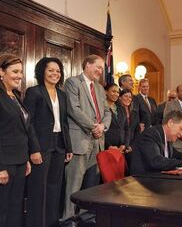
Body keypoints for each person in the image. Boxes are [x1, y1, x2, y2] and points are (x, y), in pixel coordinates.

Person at [23, 57, 73, 227]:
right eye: (51, 70)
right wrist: (33, 149)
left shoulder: (62, 94)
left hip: (59, 144)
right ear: (42, 71)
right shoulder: (34, 92)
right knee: (38, 189)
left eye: (58, 70)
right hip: (41, 146)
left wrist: (68, 147)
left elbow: (64, 122)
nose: (55, 73)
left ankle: (51, 223)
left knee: (54, 188)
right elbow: (28, 124)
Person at [62, 54, 111, 222]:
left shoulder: (99, 88)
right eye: (97, 67)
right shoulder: (73, 82)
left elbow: (106, 112)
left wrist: (103, 126)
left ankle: (86, 214)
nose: (100, 71)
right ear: (87, 65)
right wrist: (93, 127)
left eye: (102, 69)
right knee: (74, 182)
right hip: (80, 140)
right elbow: (73, 110)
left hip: (98, 142)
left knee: (92, 182)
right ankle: (68, 217)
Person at [0, 54, 37, 227]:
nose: (19, 76)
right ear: (1, 72)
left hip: (20, 161)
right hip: (4, 163)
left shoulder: (15, 95)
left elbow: (23, 129)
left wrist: (26, 158)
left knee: (16, 207)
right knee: (3, 209)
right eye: (15, 71)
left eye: (21, 72)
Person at [130, 110, 182, 174]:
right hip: (143, 182)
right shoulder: (151, 134)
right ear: (170, 123)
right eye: (181, 129)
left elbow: (175, 154)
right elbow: (156, 161)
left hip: (157, 179)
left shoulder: (166, 136)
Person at [104, 83, 131, 154]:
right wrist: (108, 146)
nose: (116, 94)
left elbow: (126, 128)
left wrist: (125, 145)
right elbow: (102, 130)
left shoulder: (121, 108)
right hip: (107, 149)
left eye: (118, 92)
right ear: (106, 92)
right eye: (113, 91)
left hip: (121, 149)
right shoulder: (101, 108)